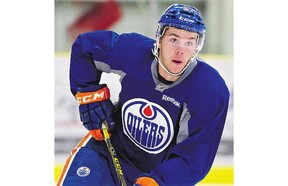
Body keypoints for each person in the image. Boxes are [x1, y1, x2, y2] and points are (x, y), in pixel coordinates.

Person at [56, 3, 230, 186]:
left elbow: (195, 157)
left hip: (156, 174)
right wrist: (91, 97)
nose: (181, 49)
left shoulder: (209, 90)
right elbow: (85, 48)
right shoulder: (133, 52)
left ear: (197, 46)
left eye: (189, 41)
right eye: (174, 39)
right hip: (105, 155)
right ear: (160, 39)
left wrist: (158, 181)